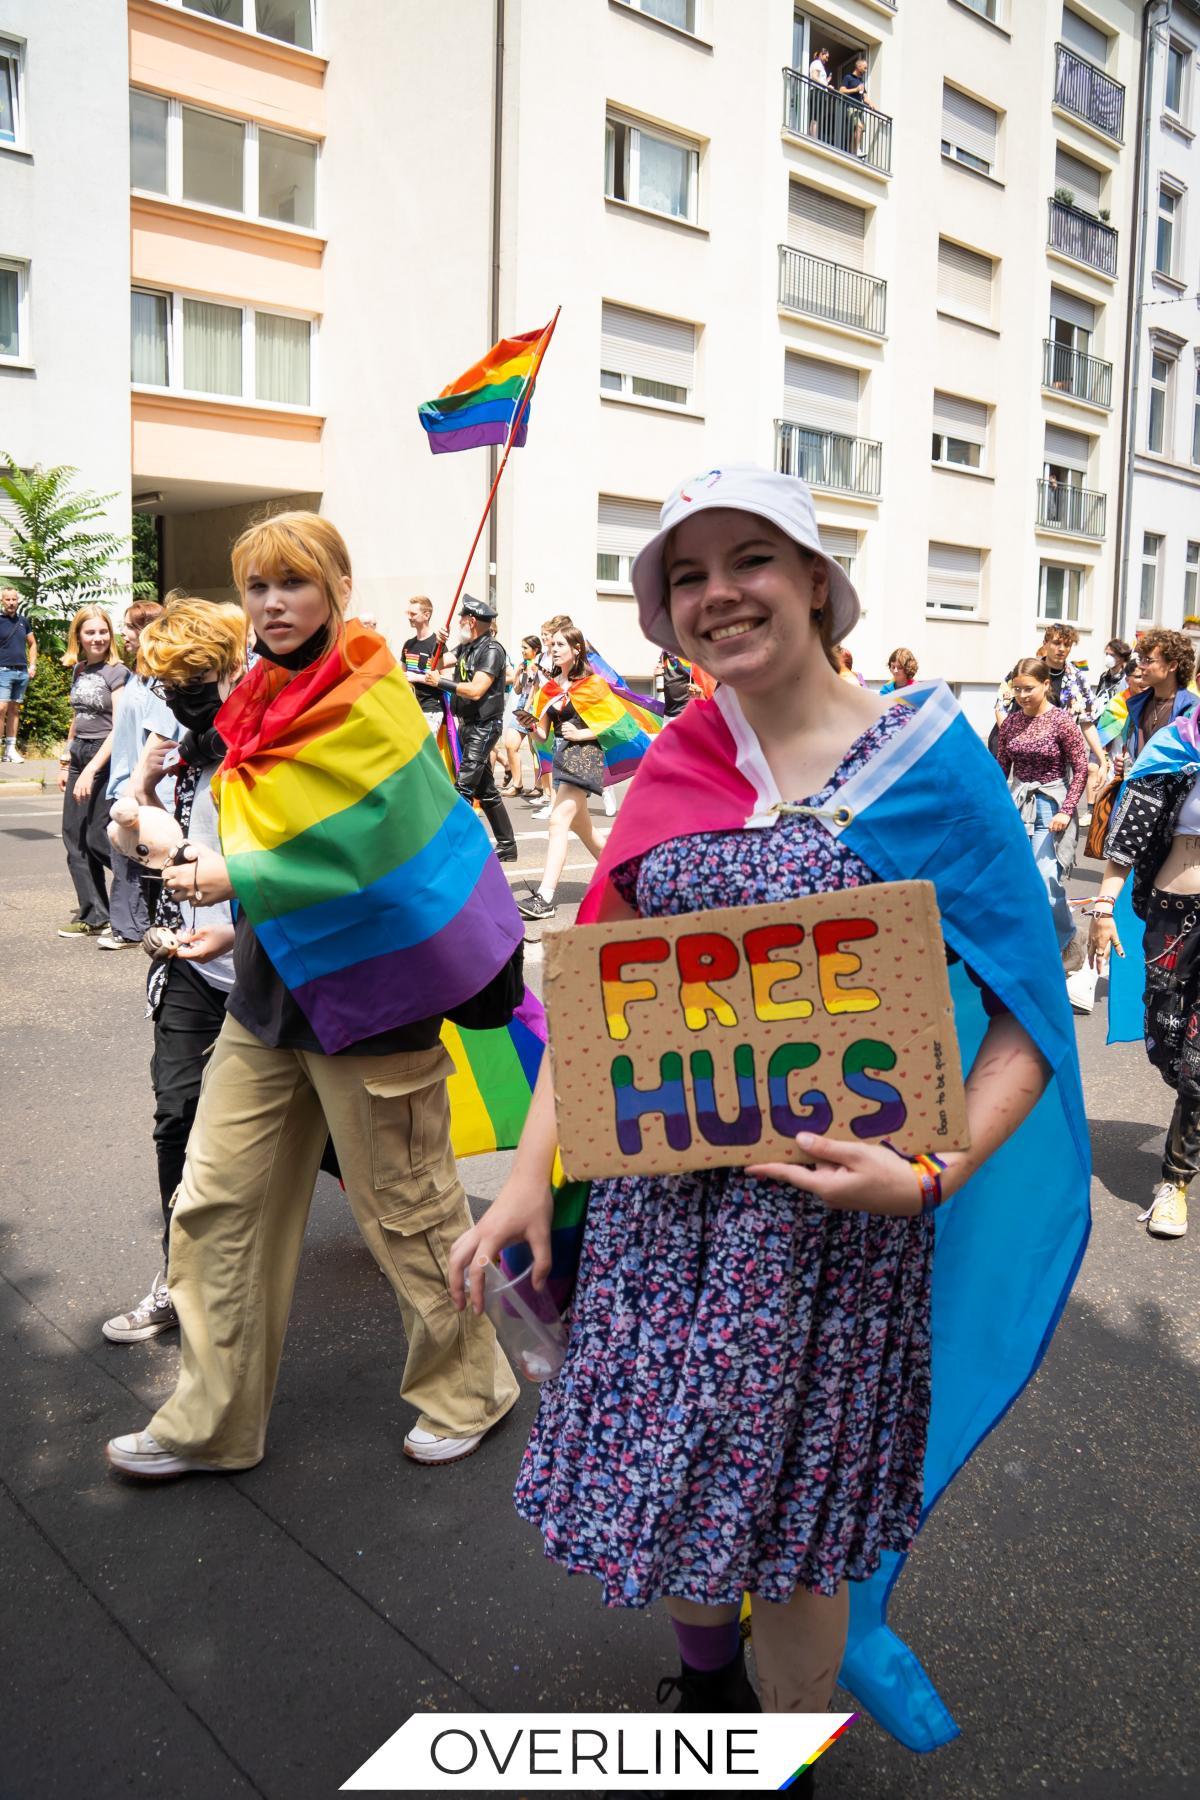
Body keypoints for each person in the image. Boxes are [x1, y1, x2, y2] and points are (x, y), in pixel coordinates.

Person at [448, 465, 1088, 1746]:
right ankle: (705, 1687)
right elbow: (601, 993)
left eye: (749, 560)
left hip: (834, 1241)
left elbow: (1030, 1014)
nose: (717, 594)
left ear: (813, 581)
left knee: (802, 1527)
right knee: (670, 1481)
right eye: (685, 575)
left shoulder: (929, 766)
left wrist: (927, 1178)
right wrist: (528, 1175)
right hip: (661, 1224)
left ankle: (780, 1740)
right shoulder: (679, 757)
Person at [104, 511, 521, 1479]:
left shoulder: (373, 689)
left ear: (335, 587)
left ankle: (472, 1387)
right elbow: (283, 828)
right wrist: (234, 903)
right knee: (214, 1205)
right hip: (268, 992)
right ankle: (213, 1418)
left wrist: (232, 874)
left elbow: (371, 845)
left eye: (292, 583)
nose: (271, 603)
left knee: (410, 1208)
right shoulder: (253, 693)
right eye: (256, 586)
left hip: (374, 1004)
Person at [102, 598, 246, 1343]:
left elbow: (317, 864)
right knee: (177, 1118)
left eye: (194, 678)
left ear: (230, 665)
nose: (179, 694)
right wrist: (146, 799)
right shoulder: (183, 744)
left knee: (334, 1138)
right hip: (192, 970)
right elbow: (140, 846)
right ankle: (181, 1277)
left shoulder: (266, 739)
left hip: (269, 970)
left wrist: (233, 926)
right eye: (167, 682)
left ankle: (417, 1250)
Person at [1090, 698, 1200, 1240]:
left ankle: (1174, 1183)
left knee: (1199, 1065)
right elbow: (1128, 836)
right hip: (1173, 914)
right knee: (1166, 1041)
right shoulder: (1176, 747)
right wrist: (1104, 906)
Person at [995, 657, 1088, 962]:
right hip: (1019, 802)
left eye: (1029, 689)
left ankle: (1066, 938)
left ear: (1046, 684)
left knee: (1047, 879)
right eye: (1017, 689)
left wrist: (1067, 809)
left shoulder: (1062, 721)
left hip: (1052, 804)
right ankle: (1032, 946)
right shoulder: (1011, 722)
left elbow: (1081, 769)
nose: (1022, 696)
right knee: (1017, 880)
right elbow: (1001, 768)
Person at [515, 626, 610, 922]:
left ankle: (545, 897)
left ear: (576, 649)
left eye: (559, 644)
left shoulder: (592, 684)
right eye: (551, 644)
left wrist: (582, 733)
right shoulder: (551, 686)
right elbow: (543, 733)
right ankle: (626, 876)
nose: (553, 648)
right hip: (562, 758)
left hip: (585, 757)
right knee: (584, 830)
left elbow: (614, 727)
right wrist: (530, 721)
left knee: (558, 822)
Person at [414, 594, 517, 861]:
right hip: (467, 725)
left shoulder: (491, 650)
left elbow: (476, 689)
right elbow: (434, 665)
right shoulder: (466, 647)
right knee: (487, 790)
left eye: (462, 617)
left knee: (463, 789)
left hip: (484, 726)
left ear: (471, 621)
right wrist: (439, 643)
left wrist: (441, 683)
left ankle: (450, 849)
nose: (458, 621)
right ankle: (507, 845)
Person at [99, 600, 169, 950]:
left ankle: (131, 927)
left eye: (128, 626)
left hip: (141, 787)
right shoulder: (136, 676)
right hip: (122, 780)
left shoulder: (161, 680)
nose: (123, 633)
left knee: (138, 859)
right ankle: (130, 924)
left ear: (146, 631)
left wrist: (138, 788)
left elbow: (157, 737)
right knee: (122, 855)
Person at [56, 607, 129, 938]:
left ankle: (144, 892)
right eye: (90, 632)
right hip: (81, 753)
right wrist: (67, 759)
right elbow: (79, 715)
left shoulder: (117, 672)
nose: (98, 637)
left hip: (105, 755)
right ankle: (94, 913)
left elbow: (120, 727)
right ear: (79, 637)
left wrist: (91, 770)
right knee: (74, 837)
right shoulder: (80, 670)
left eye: (103, 631)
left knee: (98, 836)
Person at [499, 634, 543, 795]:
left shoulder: (539, 665)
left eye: (525, 648)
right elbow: (518, 690)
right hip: (521, 705)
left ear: (535, 649)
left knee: (534, 749)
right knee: (510, 743)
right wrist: (517, 673)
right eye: (522, 647)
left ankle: (539, 786)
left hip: (532, 707)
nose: (522, 651)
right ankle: (517, 784)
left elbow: (536, 689)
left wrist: (528, 707)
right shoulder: (524, 665)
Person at [0, 586, 36, 762]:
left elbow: (33, 643)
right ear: (2, 601)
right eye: (7, 599)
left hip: (21, 671)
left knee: (14, 710)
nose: (11, 603)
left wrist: (33, 665)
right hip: (3, 671)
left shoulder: (24, 621)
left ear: (18, 601)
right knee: (1, 709)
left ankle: (10, 751)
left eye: (14, 599)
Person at [402, 595, 444, 733]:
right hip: (411, 710)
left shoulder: (437, 644)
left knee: (425, 752)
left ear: (426, 615)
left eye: (413, 614)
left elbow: (444, 680)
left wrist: (416, 677)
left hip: (431, 710)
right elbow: (403, 676)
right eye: (408, 613)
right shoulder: (408, 644)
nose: (409, 617)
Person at [838, 56, 872, 157]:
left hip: (859, 108)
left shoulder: (861, 81)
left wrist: (871, 103)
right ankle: (857, 150)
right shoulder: (848, 77)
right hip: (851, 106)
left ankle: (853, 151)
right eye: (864, 68)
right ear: (858, 66)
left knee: (858, 130)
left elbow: (865, 97)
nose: (866, 70)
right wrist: (855, 89)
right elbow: (841, 90)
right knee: (859, 126)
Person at [1095, 637, 1134, 705]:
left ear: (1122, 657)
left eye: (1112, 655)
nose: (1108, 658)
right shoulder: (1103, 677)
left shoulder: (1127, 679)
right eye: (1107, 654)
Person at [807, 44, 832, 142]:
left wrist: (827, 81)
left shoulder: (819, 65)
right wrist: (826, 85)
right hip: (816, 92)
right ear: (821, 54)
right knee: (815, 116)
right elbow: (814, 76)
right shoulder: (817, 63)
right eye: (826, 56)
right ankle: (813, 138)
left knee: (816, 117)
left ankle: (814, 137)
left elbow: (819, 78)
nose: (827, 59)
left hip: (819, 92)